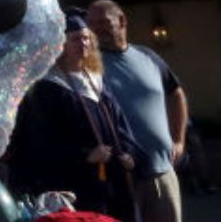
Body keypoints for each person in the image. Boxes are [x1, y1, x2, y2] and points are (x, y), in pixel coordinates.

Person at [9, 12, 140, 219]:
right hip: (78, 183)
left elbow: (120, 124)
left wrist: (128, 152)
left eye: (86, 37)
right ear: (61, 46)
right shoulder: (48, 89)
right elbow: (41, 143)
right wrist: (85, 155)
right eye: (75, 39)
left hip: (114, 179)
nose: (83, 43)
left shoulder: (97, 81)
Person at [90, 0, 187, 222]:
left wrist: (179, 140)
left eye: (103, 22)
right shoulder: (89, 64)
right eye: (92, 23)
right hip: (122, 176)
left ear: (122, 21)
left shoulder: (149, 57)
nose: (97, 28)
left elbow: (176, 94)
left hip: (163, 172)